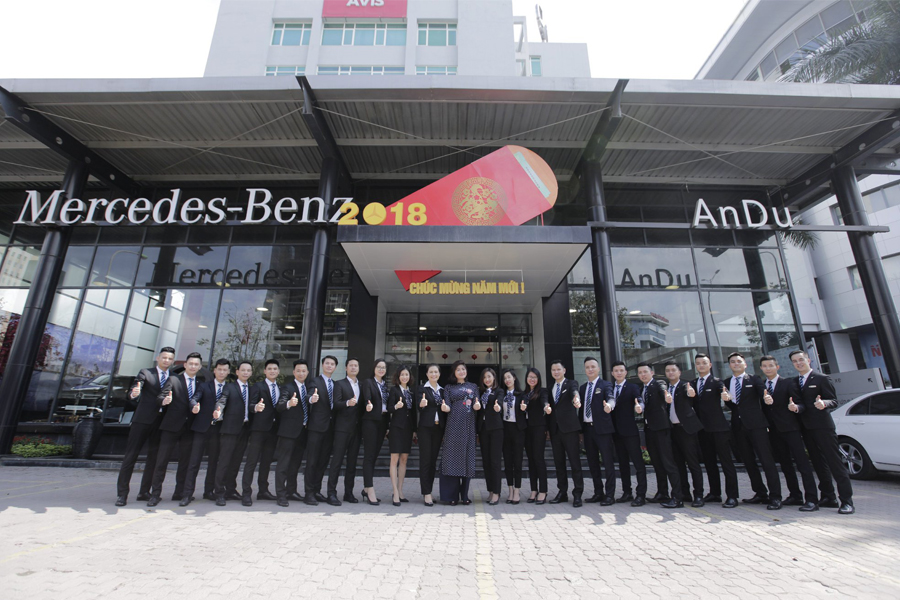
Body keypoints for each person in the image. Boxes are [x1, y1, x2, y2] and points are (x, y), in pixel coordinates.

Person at [789, 349, 854, 514]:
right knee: (818, 464)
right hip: (806, 428)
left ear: (808, 360)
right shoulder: (795, 382)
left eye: (801, 360)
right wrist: (795, 407)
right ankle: (828, 497)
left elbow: (834, 400)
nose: (798, 363)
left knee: (835, 463)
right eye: (795, 361)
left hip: (823, 427)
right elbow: (800, 403)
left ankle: (847, 501)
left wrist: (824, 403)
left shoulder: (821, 378)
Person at [722, 352, 783, 510]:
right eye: (733, 362)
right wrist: (727, 401)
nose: (736, 364)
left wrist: (767, 399)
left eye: (739, 361)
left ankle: (775, 496)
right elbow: (734, 406)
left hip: (757, 426)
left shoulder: (754, 379)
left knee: (766, 461)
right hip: (738, 427)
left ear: (745, 364)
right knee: (748, 462)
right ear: (729, 365)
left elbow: (764, 396)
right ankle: (760, 493)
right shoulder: (727, 382)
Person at [759, 355, 819, 512]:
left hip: (791, 429)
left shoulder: (788, 383)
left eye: (771, 365)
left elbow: (800, 404)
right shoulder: (762, 386)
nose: (768, 368)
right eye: (764, 366)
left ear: (777, 367)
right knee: (785, 465)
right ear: (761, 369)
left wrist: (796, 408)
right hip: (773, 431)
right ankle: (795, 495)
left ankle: (812, 499)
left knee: (802, 464)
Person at [115, 346, 174, 506]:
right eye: (164, 357)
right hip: (142, 421)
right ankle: (122, 494)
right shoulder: (146, 373)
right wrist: (134, 393)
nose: (166, 360)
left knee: (153, 459)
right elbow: (136, 388)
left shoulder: (174, 377)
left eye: (170, 358)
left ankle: (144, 492)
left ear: (172, 361)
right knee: (130, 457)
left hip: (160, 423)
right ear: (158, 358)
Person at [148, 352, 205, 506]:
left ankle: (180, 493)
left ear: (200, 367)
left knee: (185, 463)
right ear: (185, 365)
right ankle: (155, 494)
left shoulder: (201, 384)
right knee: (162, 461)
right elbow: (160, 397)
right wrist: (164, 400)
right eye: (191, 363)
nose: (193, 366)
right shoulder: (173, 379)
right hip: (171, 426)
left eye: (196, 364)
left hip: (189, 428)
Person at [690, 354, 739, 508]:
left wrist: (726, 397)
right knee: (709, 463)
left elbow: (726, 396)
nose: (701, 366)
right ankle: (715, 493)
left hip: (719, 428)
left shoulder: (717, 382)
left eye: (704, 363)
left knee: (726, 463)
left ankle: (732, 496)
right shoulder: (692, 384)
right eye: (698, 363)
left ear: (710, 365)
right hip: (702, 430)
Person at [180, 358, 230, 506]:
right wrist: (194, 406)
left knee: (214, 463)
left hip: (218, 430)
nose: (221, 372)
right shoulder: (204, 385)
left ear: (228, 372)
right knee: (194, 462)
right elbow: (194, 399)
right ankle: (187, 494)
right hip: (201, 429)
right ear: (214, 370)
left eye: (224, 370)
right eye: (219, 369)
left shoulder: (230, 388)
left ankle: (210, 491)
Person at [637, 362, 683, 508]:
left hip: (661, 429)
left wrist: (667, 396)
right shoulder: (641, 388)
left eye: (645, 372)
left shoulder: (658, 384)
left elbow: (664, 391)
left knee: (668, 463)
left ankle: (677, 497)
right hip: (649, 430)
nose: (643, 375)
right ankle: (662, 492)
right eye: (640, 373)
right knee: (657, 463)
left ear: (652, 373)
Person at [663, 361, 705, 507]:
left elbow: (692, 396)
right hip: (672, 430)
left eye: (673, 370)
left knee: (693, 464)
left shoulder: (686, 385)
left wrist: (691, 394)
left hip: (686, 430)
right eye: (667, 371)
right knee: (678, 464)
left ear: (679, 372)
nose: (670, 373)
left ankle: (698, 495)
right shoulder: (665, 388)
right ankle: (684, 493)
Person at [241, 359, 281, 507]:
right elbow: (250, 404)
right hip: (258, 430)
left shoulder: (280, 388)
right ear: (265, 371)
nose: (272, 371)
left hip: (273, 430)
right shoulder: (257, 386)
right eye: (269, 368)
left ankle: (263, 490)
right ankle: (246, 493)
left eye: (275, 368)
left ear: (278, 371)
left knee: (266, 462)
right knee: (252, 462)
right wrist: (255, 407)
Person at [439, 361, 480, 505]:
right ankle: (451, 497)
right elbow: (448, 405)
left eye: (463, 369)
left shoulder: (473, 386)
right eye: (458, 369)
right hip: (453, 426)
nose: (461, 371)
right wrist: (445, 408)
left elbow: (477, 402)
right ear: (454, 373)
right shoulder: (449, 388)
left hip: (468, 426)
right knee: (451, 460)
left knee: (467, 459)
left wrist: (477, 405)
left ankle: (465, 496)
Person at [213, 361, 252, 506]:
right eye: (243, 370)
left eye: (248, 370)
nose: (246, 373)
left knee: (236, 462)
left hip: (245, 430)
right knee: (224, 462)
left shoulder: (252, 389)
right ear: (237, 372)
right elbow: (222, 400)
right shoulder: (230, 387)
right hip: (230, 430)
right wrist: (218, 409)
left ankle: (231, 489)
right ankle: (219, 493)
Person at [609, 361, 648, 507]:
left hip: (630, 432)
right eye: (616, 371)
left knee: (638, 464)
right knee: (623, 464)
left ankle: (641, 494)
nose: (618, 373)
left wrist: (639, 407)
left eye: (621, 370)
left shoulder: (632, 387)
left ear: (625, 372)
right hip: (616, 433)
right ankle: (627, 492)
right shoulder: (609, 387)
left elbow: (639, 401)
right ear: (612, 373)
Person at [546, 360, 583, 507]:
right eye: (553, 370)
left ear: (564, 370)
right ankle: (562, 492)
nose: (556, 372)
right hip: (555, 431)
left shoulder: (571, 384)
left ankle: (578, 493)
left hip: (570, 430)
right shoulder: (550, 388)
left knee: (575, 463)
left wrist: (576, 398)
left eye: (558, 369)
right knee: (559, 464)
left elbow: (575, 392)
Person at [273, 359, 310, 507]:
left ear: (307, 372)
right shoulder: (287, 388)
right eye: (298, 371)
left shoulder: (309, 388)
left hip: (303, 431)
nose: (301, 373)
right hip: (288, 432)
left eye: (304, 371)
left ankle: (291, 491)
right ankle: (281, 495)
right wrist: (289, 403)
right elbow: (279, 406)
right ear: (294, 372)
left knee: (295, 464)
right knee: (283, 464)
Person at [580, 356, 616, 506]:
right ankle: (598, 492)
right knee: (592, 463)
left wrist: (609, 405)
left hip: (602, 430)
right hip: (588, 430)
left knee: (607, 463)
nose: (590, 369)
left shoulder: (605, 384)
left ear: (598, 368)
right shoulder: (582, 388)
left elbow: (611, 398)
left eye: (593, 367)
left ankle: (610, 495)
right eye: (587, 367)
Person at [327, 357, 362, 506]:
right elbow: (335, 404)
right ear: (346, 368)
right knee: (337, 462)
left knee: (352, 463)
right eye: (351, 365)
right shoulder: (339, 384)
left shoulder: (361, 385)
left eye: (356, 365)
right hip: (342, 429)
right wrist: (347, 403)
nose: (353, 368)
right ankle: (331, 493)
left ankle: (348, 492)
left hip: (356, 429)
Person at [304, 355, 337, 506]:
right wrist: (312, 399)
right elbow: (310, 395)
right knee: (312, 461)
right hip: (316, 427)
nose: (329, 366)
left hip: (330, 428)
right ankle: (309, 493)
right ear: (322, 365)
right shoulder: (315, 381)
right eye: (327, 363)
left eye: (332, 364)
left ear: (335, 367)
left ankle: (317, 490)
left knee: (323, 461)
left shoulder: (336, 384)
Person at [360, 359, 390, 505]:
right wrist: (368, 404)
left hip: (383, 422)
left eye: (383, 367)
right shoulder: (368, 382)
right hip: (370, 421)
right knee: (369, 455)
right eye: (378, 367)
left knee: (375, 455)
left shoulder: (385, 385)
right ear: (374, 368)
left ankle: (366, 488)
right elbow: (367, 399)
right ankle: (370, 489)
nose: (381, 369)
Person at [415, 364, 445, 507]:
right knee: (426, 460)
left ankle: (430, 491)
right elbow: (418, 405)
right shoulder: (422, 389)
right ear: (427, 374)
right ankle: (426, 493)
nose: (433, 374)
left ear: (439, 374)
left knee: (433, 461)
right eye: (431, 372)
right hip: (425, 429)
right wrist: (421, 404)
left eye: (436, 372)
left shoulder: (442, 391)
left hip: (438, 429)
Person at [387, 364, 416, 506]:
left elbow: (414, 413)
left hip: (408, 429)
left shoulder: (411, 392)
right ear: (398, 377)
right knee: (394, 459)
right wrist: (396, 407)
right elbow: (388, 408)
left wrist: (415, 430)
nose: (405, 377)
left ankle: (400, 490)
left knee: (404, 459)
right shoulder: (394, 390)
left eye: (407, 374)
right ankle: (395, 492)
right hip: (396, 428)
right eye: (402, 374)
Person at [522, 368, 549, 504]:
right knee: (531, 460)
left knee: (538, 458)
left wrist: (546, 407)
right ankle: (534, 490)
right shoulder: (525, 393)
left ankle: (543, 491)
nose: (532, 379)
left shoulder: (542, 391)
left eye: (534, 377)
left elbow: (544, 401)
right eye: (529, 377)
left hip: (538, 428)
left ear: (538, 379)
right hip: (527, 429)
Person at [478, 368, 504, 506]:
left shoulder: (498, 391)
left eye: (489, 376)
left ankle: (496, 493)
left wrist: (498, 406)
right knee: (486, 462)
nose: (487, 379)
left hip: (495, 429)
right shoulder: (481, 392)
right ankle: (490, 490)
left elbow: (499, 401)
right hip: (483, 430)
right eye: (484, 377)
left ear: (494, 377)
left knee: (495, 462)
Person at [499, 369, 526, 504]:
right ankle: (510, 490)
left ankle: (517, 490)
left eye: (509, 377)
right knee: (508, 462)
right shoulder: (502, 395)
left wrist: (524, 408)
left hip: (518, 429)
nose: (507, 380)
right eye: (505, 379)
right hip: (505, 429)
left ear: (514, 378)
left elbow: (527, 409)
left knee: (518, 462)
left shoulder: (521, 395)